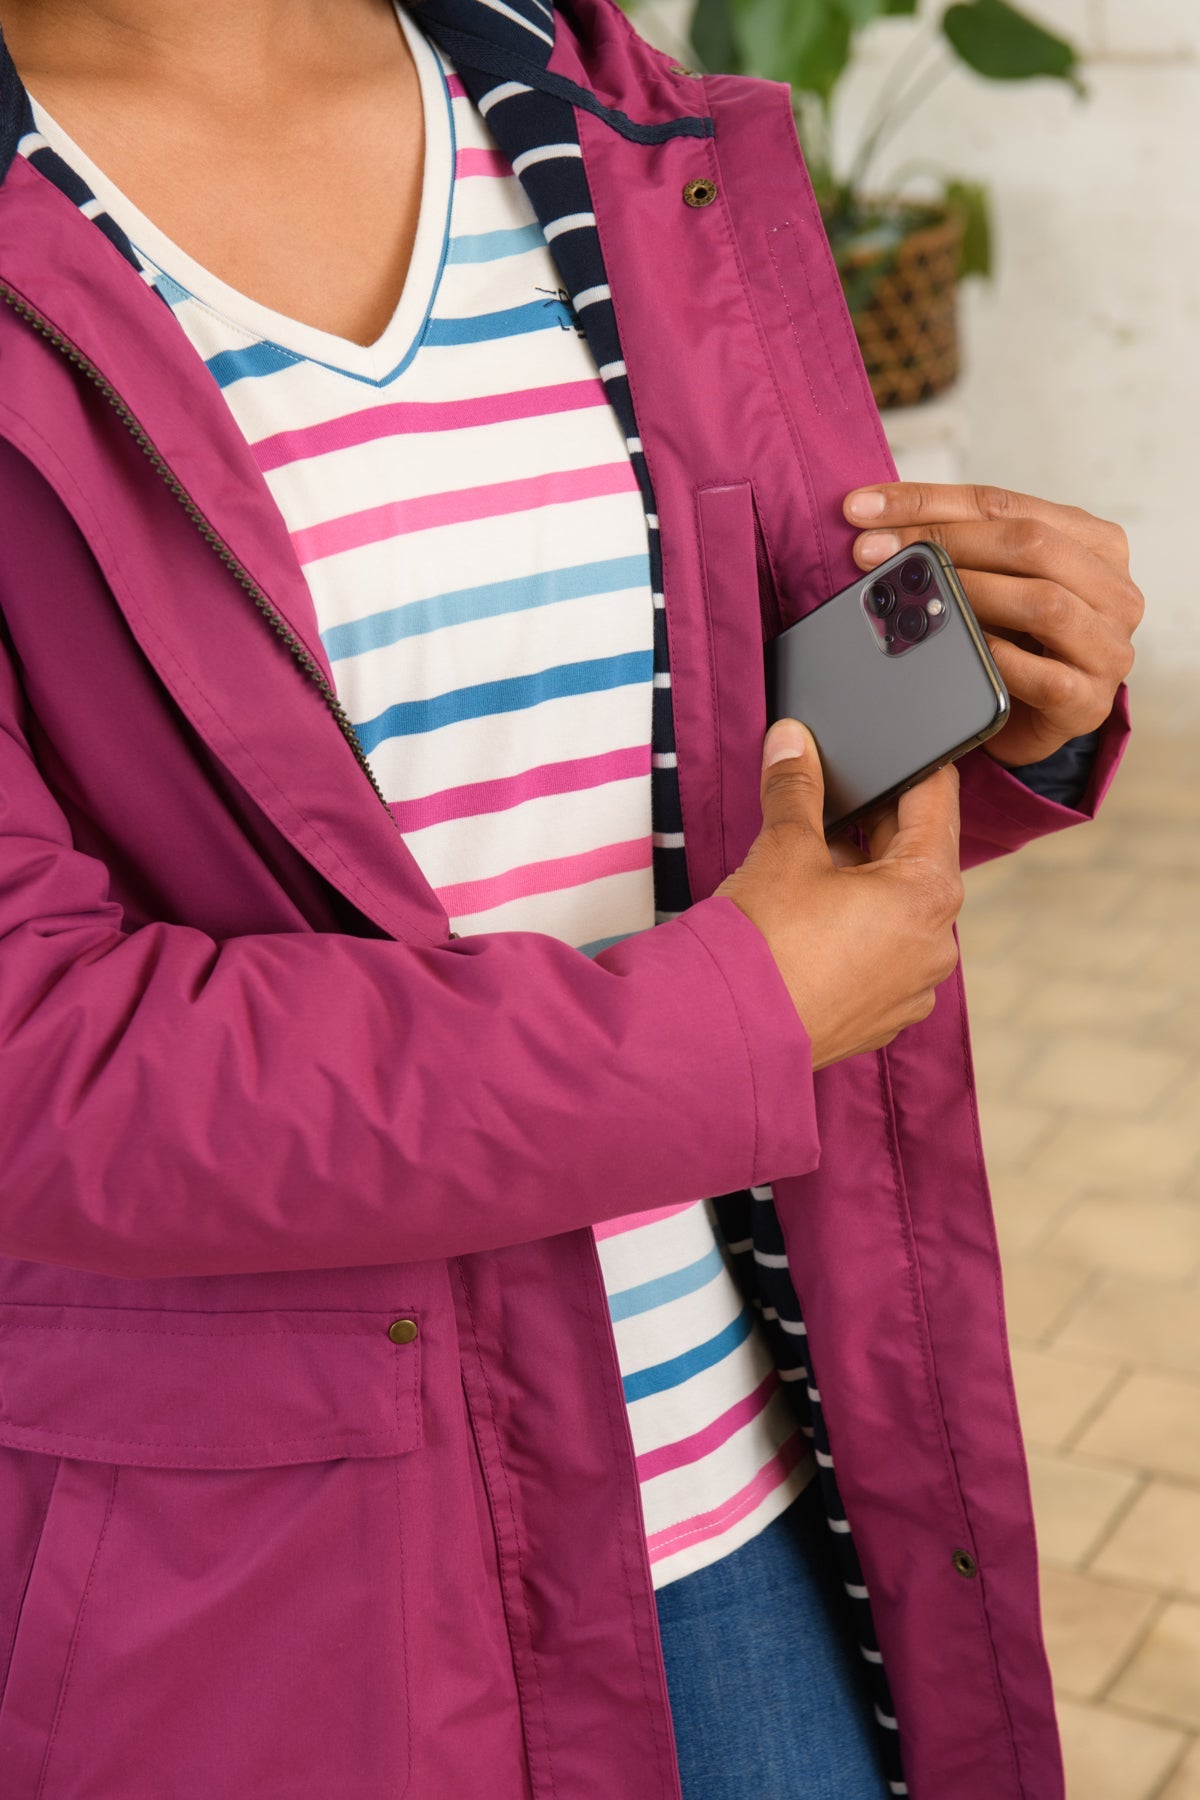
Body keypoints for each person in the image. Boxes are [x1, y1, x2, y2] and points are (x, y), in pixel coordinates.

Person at [0, 0, 1140, 1795]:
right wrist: (733, 1019)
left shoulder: (605, 121)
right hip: (273, 1606)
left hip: (753, 1487)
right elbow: (42, 1064)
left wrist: (994, 711)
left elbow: (710, 759)